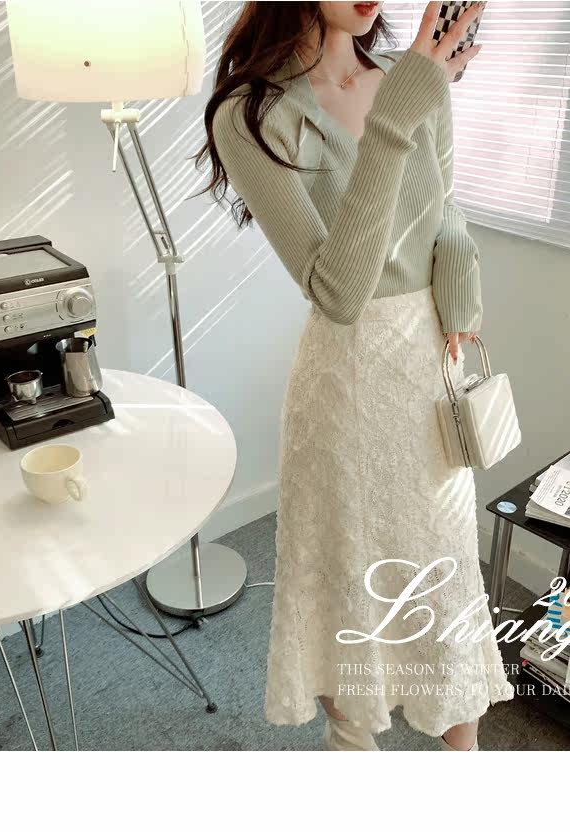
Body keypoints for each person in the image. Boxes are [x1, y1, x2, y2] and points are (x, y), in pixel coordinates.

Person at [195, 0, 513, 750]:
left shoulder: (406, 75)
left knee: (445, 580)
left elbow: (443, 208)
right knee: (351, 590)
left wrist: (460, 291)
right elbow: (338, 290)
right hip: (347, 384)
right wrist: (395, 116)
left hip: (429, 369)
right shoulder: (252, 115)